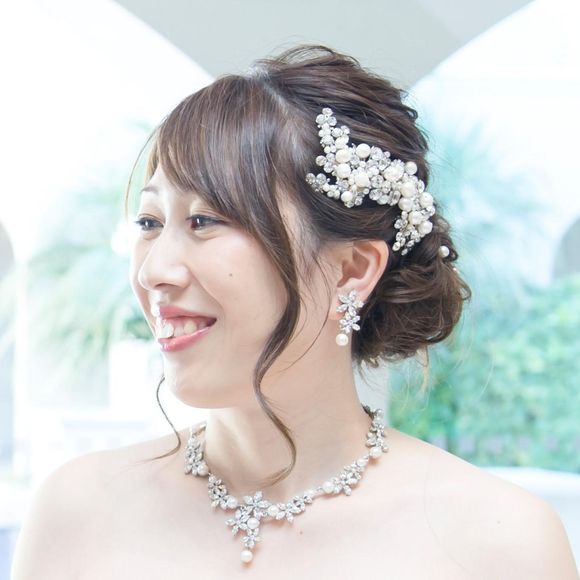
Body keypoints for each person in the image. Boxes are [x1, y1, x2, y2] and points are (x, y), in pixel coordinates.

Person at [12, 45, 579, 579]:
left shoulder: (501, 544)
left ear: (352, 269)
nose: (153, 271)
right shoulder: (78, 513)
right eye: (149, 222)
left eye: (204, 221)